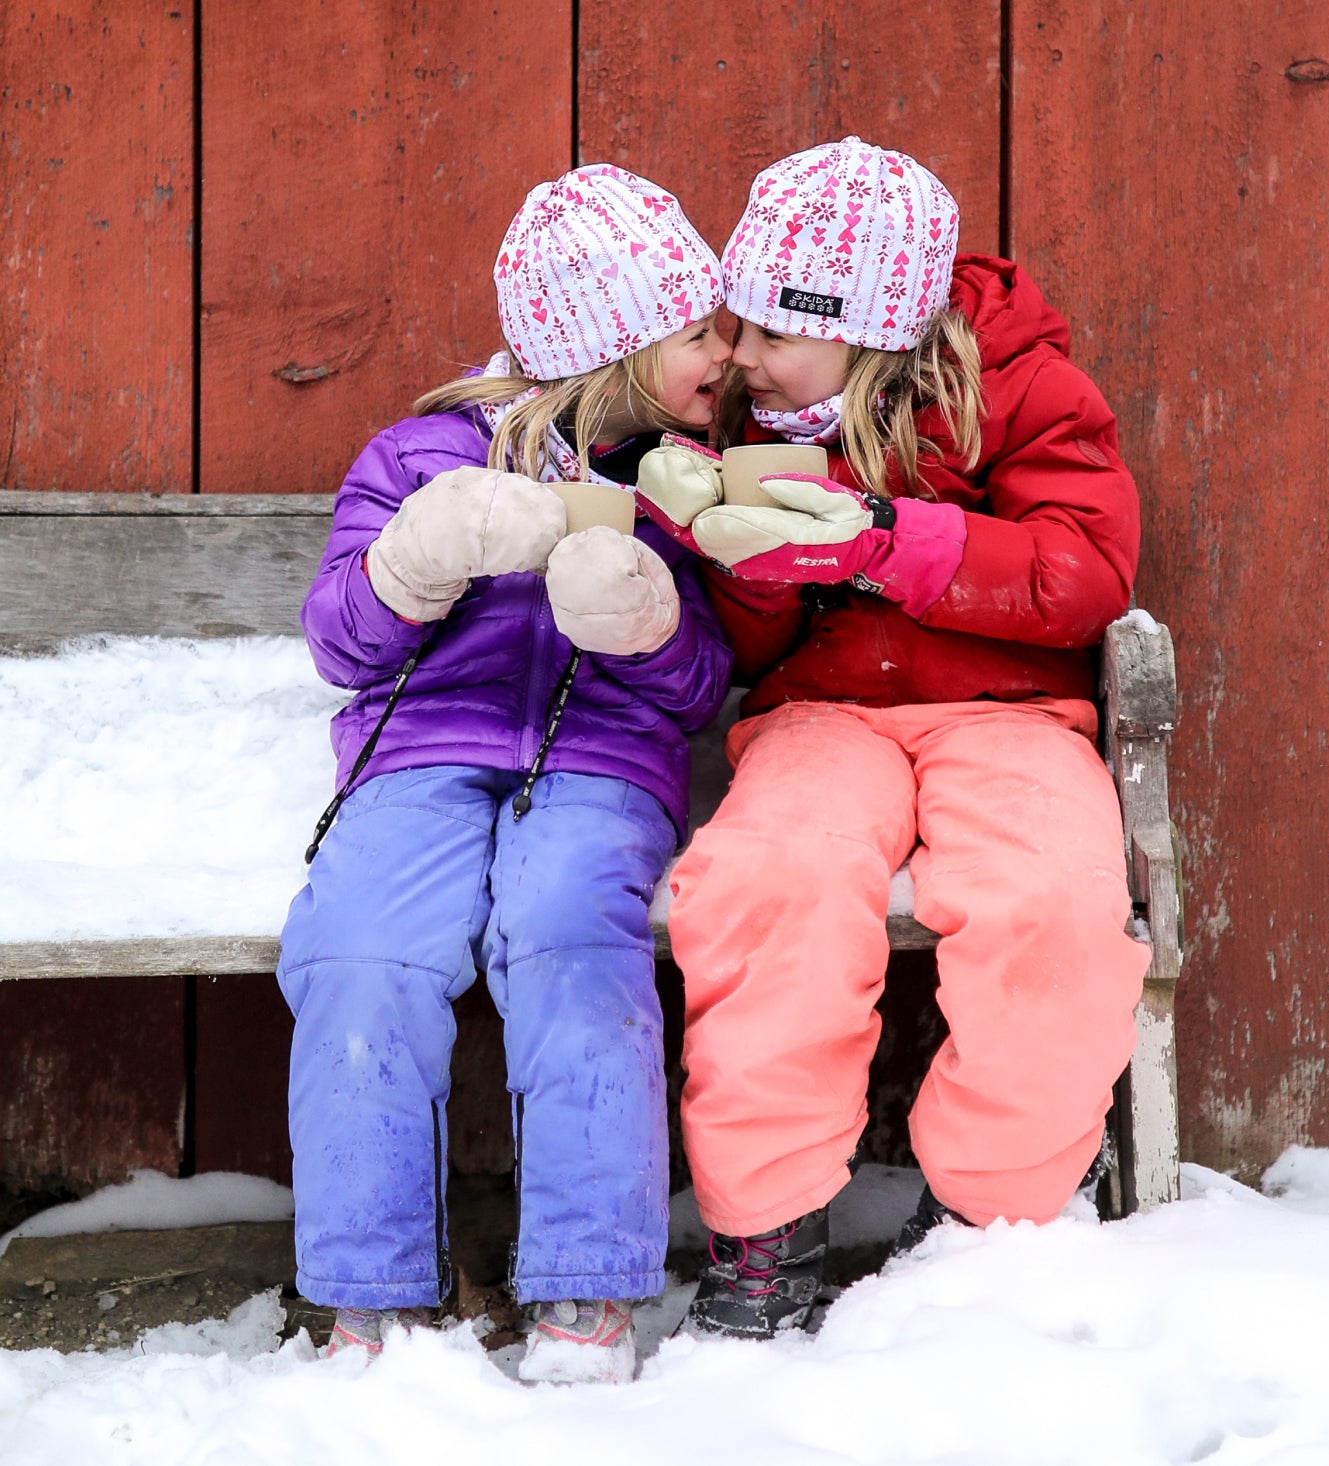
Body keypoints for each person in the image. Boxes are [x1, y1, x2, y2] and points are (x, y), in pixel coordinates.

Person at [635, 136, 1152, 1339]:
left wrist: (879, 541)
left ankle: (996, 1211)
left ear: (869, 328)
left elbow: (1084, 570)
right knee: (767, 882)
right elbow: (750, 656)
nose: (739, 355)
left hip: (1007, 715)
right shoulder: (744, 414)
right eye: (735, 323)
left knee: (1050, 903)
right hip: (819, 717)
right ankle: (764, 1228)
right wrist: (745, 562)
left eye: (771, 330)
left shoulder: (1017, 387)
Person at [277, 164, 733, 1383]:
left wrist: (647, 623)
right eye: (699, 328)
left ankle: (586, 1286)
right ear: (615, 345)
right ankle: (373, 1296)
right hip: (416, 758)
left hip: (598, 763)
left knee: (566, 933)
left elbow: (698, 690)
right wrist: (414, 563)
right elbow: (339, 642)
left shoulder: (684, 483)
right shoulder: (416, 451)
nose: (727, 351)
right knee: (362, 949)